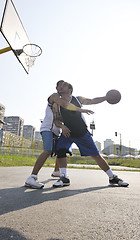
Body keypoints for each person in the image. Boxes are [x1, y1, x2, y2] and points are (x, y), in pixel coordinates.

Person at [52, 81, 129, 187]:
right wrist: (62, 126)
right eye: (60, 86)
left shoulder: (78, 99)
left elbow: (92, 100)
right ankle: (64, 177)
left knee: (96, 156)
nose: (60, 86)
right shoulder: (57, 104)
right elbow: (56, 121)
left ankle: (112, 177)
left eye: (63, 85)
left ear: (70, 90)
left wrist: (106, 98)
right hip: (68, 133)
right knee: (60, 149)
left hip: (82, 132)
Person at [25, 80, 93, 189]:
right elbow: (65, 105)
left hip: (56, 131)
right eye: (60, 85)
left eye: (63, 85)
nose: (62, 87)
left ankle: (57, 171)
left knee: (60, 150)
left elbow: (60, 117)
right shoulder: (54, 96)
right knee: (47, 151)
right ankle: (32, 177)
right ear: (56, 88)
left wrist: (65, 125)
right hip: (48, 129)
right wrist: (81, 110)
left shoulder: (63, 102)